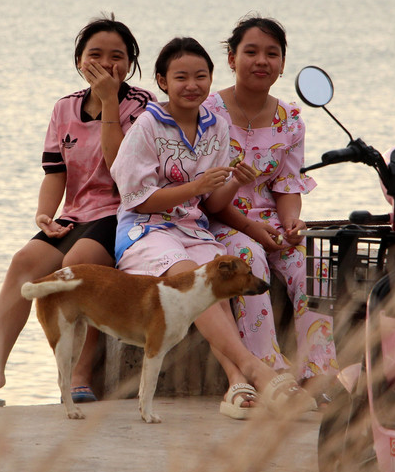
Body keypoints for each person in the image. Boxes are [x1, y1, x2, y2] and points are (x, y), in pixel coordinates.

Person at [0, 16, 152, 402]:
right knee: (24, 261)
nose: (107, 64)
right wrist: (45, 214)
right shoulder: (64, 109)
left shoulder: (142, 106)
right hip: (75, 215)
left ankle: (80, 372)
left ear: (130, 63)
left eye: (117, 57)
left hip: (122, 214)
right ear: (78, 61)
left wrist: (109, 101)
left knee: (79, 266)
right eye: (96, 55)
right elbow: (55, 173)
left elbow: (122, 168)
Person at [111, 36, 316, 419]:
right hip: (147, 229)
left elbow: (212, 204)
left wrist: (235, 182)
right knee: (192, 279)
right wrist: (193, 188)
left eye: (200, 76)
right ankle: (254, 370)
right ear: (162, 81)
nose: (192, 85)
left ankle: (236, 383)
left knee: (219, 279)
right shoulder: (147, 125)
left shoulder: (215, 126)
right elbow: (134, 197)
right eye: (181, 77)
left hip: (192, 228)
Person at [204, 15, 339, 402]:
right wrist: (250, 228)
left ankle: (319, 373)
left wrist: (291, 224)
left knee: (314, 263)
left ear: (282, 63)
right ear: (231, 58)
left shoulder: (291, 118)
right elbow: (205, 198)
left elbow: (287, 185)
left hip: (269, 222)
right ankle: (272, 372)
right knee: (251, 261)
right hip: (221, 220)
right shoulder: (209, 111)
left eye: (272, 53)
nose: (261, 61)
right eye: (251, 52)